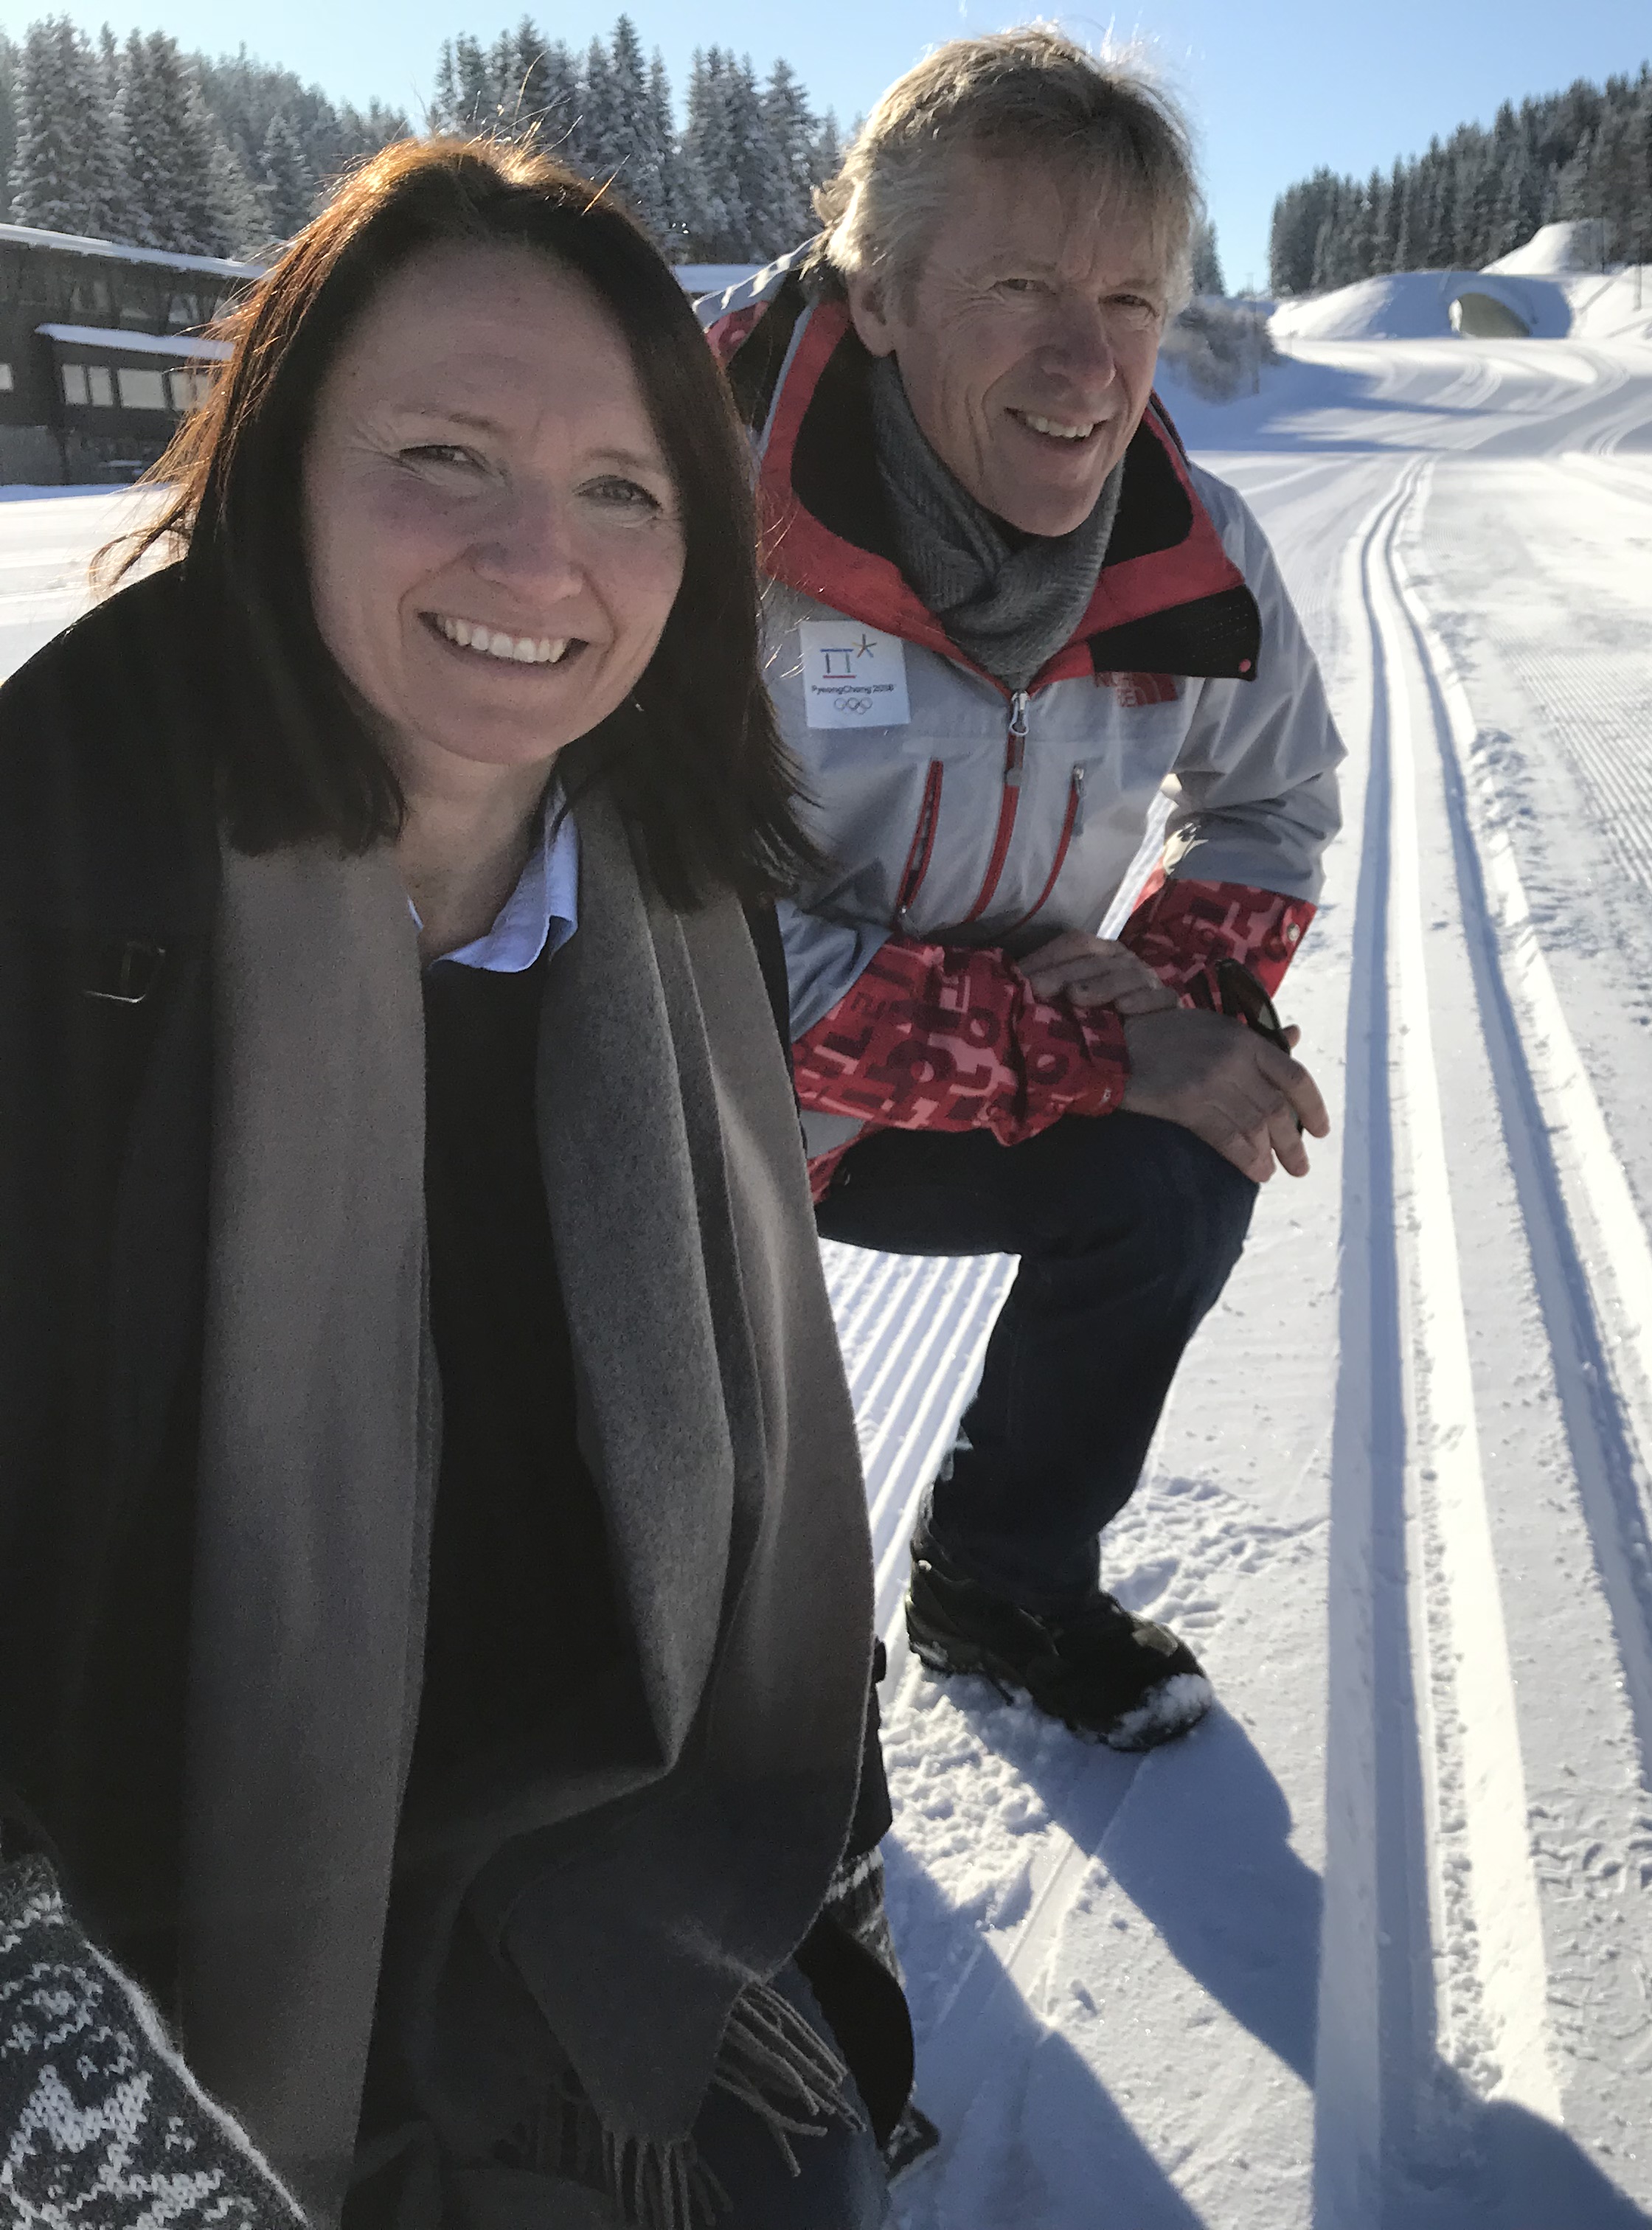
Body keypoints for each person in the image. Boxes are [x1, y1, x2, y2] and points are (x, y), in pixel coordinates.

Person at [0, 141, 909, 2224]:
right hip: (147, 1909)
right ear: (282, 471)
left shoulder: (681, 893)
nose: (538, 561)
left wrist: (803, 1841)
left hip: (573, 1848)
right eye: (441, 453)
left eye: (622, 488)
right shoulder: (54, 880)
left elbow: (763, 1461)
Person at [698, 30, 1342, 1751]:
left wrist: (1171, 1006)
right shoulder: (691, 514)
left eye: (1135, 301)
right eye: (1024, 285)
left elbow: (1271, 795)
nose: (1090, 362)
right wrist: (1078, 1043)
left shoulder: (1180, 541)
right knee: (714, 1566)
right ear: (884, 291)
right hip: (663, 1099)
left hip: (927, 1083)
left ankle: (1001, 1580)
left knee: (1174, 1174)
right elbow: (668, 931)